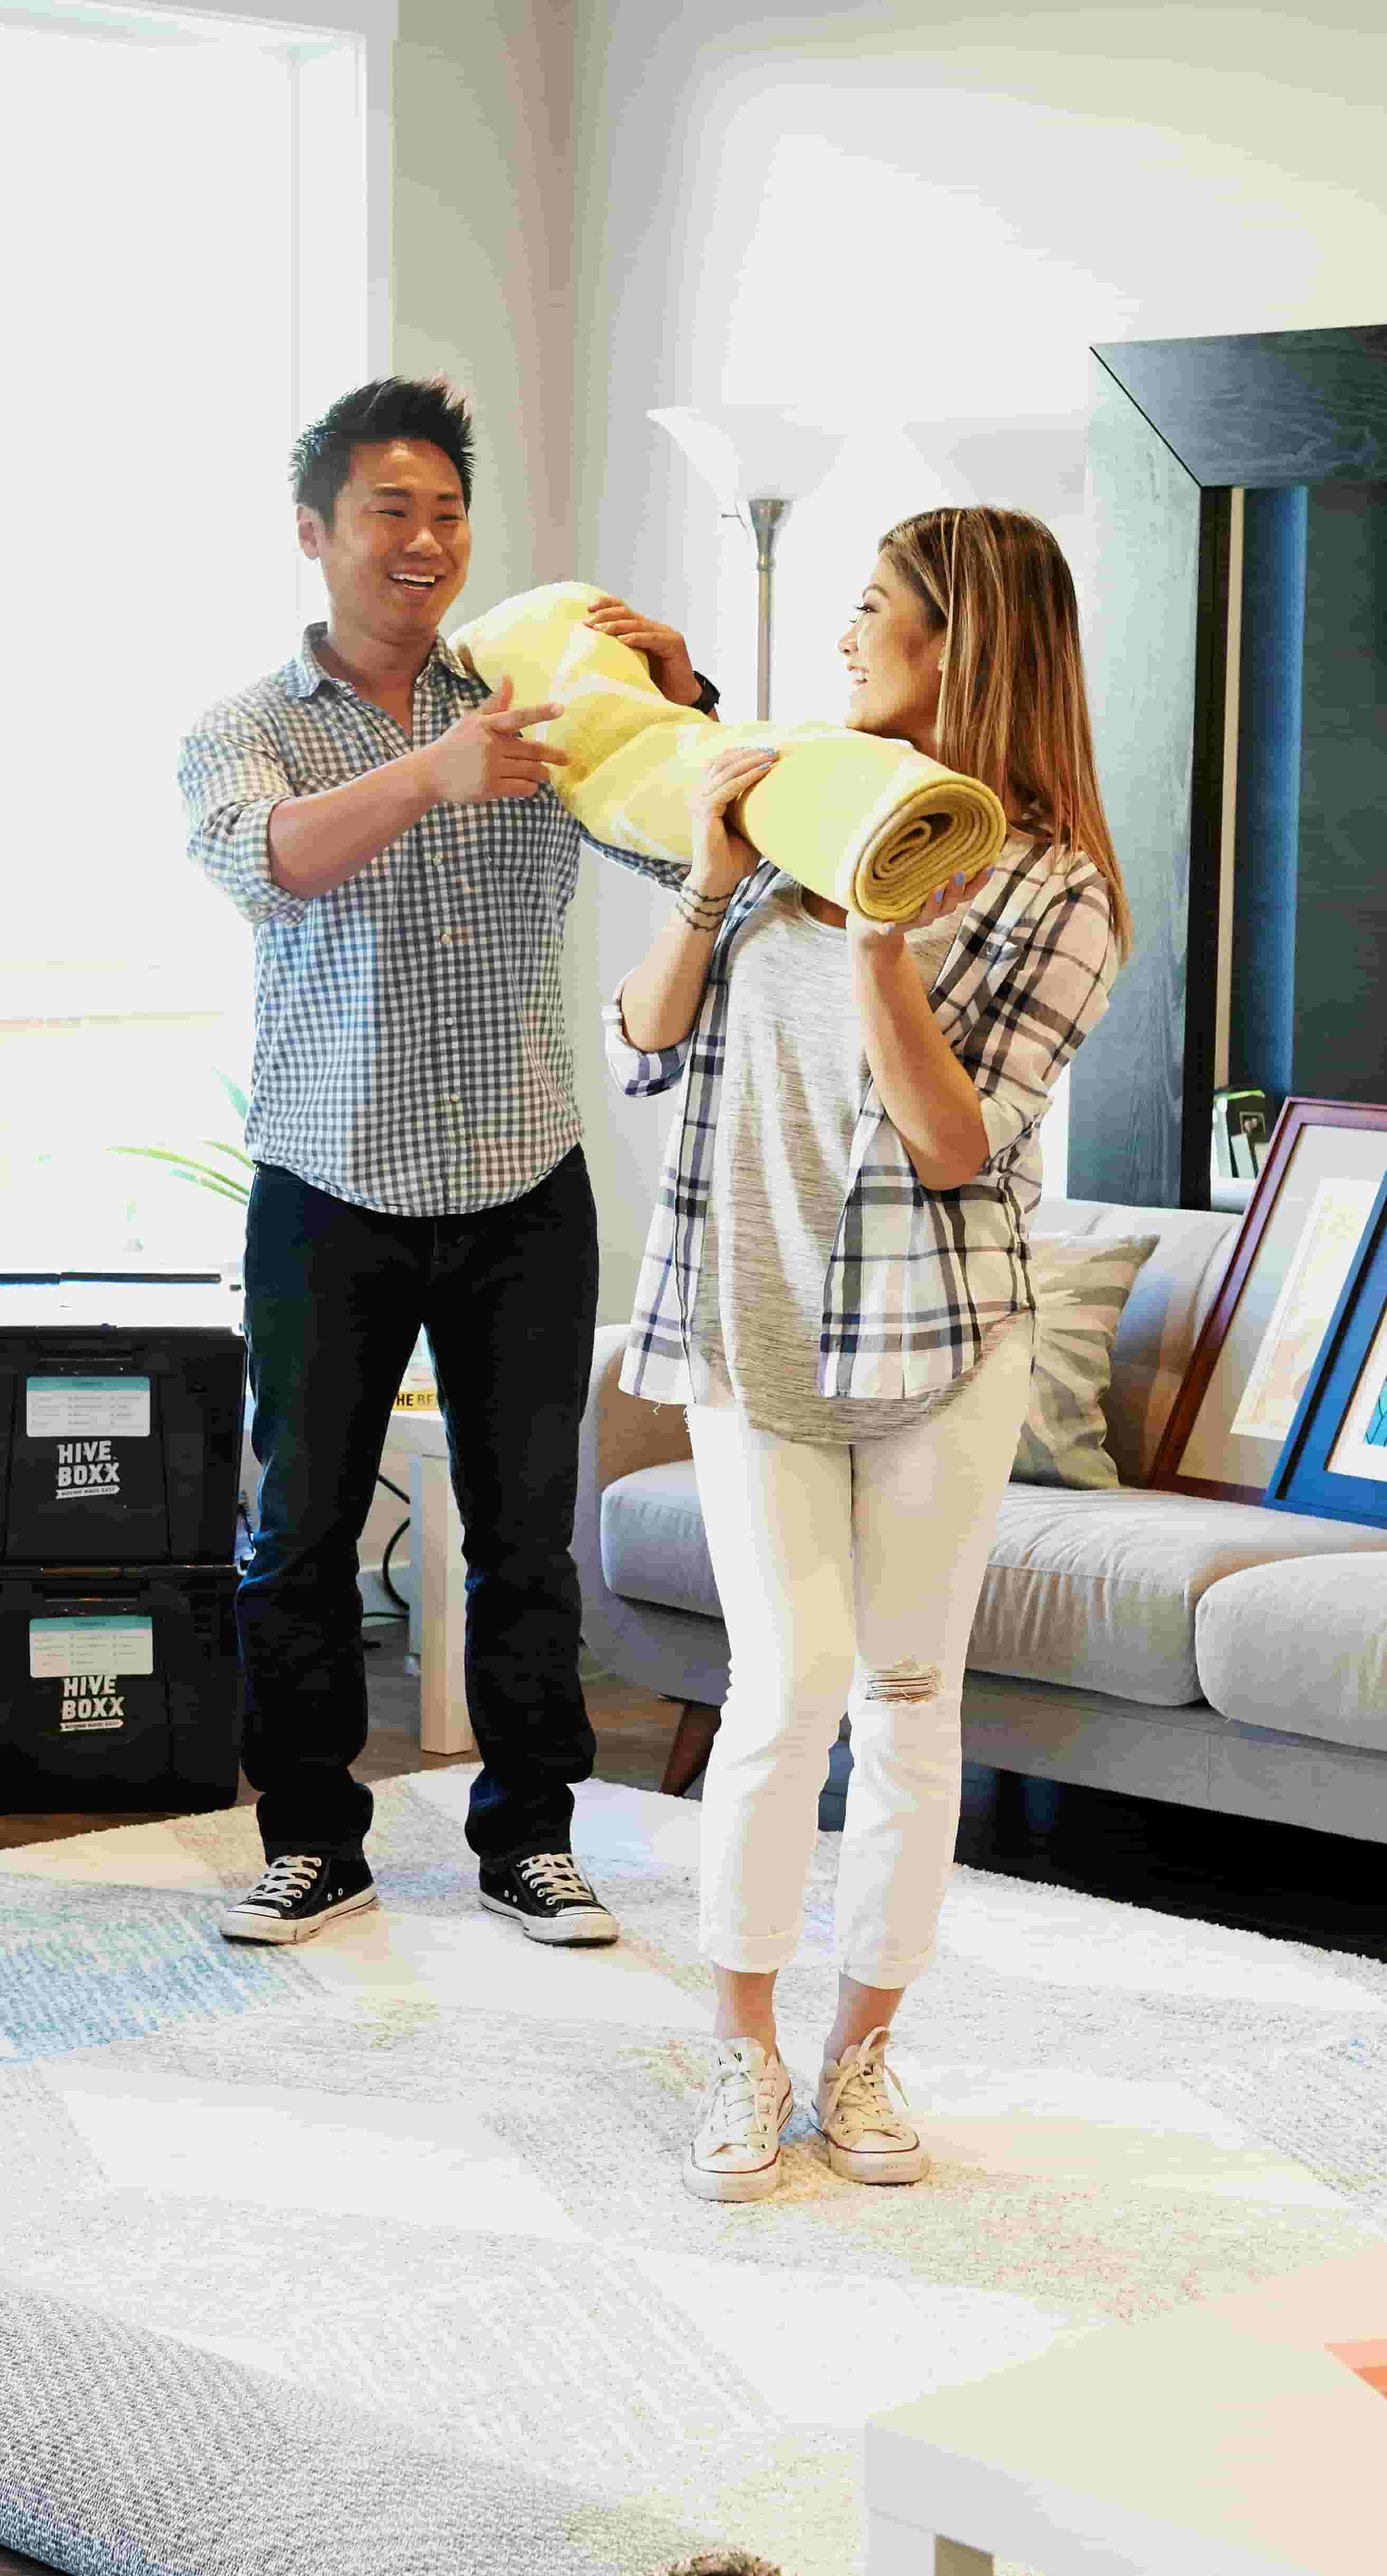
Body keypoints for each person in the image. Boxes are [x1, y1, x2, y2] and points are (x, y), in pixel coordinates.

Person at [607, 506, 1131, 2199]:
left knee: (907, 1700)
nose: (843, 637)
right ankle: (743, 2046)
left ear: (958, 641)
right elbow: (645, 1036)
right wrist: (710, 872)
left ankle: (862, 2054)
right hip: (750, 1315)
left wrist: (882, 937)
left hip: (941, 1335)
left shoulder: (1058, 888)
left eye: (872, 607)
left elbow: (960, 1141)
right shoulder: (796, 802)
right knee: (785, 1688)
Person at [179, 377, 717, 1950]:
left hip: (520, 1184)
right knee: (296, 1538)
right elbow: (268, 863)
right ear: (314, 533)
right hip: (327, 1186)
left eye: (447, 513)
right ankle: (312, 1841)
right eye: (388, 512)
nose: (425, 542)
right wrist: (432, 771)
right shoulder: (248, 728)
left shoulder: (536, 697)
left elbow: (686, 837)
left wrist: (676, 697)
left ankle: (530, 1838)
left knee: (526, 1538)